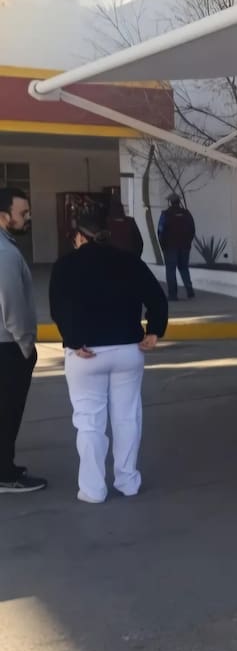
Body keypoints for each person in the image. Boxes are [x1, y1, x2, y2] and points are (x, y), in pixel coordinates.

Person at [50, 210, 168, 504]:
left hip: (86, 354)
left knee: (89, 422)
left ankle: (93, 489)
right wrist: (154, 331)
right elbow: (156, 298)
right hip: (128, 350)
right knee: (127, 418)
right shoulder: (130, 261)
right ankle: (128, 481)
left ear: (80, 236)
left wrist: (73, 339)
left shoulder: (66, 265)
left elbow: (59, 308)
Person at [0, 188, 48, 494]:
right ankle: (5, 475)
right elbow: (12, 305)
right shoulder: (5, 253)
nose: (28, 217)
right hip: (8, 347)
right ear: (3, 216)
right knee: (7, 413)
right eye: (23, 213)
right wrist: (26, 344)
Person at [157, 194, 195, 301]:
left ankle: (173, 294)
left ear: (170, 202)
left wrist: (163, 245)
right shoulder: (187, 214)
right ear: (179, 202)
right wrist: (188, 242)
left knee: (171, 270)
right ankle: (190, 291)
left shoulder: (165, 214)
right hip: (184, 246)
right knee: (184, 268)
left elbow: (160, 230)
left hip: (170, 247)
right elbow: (192, 229)